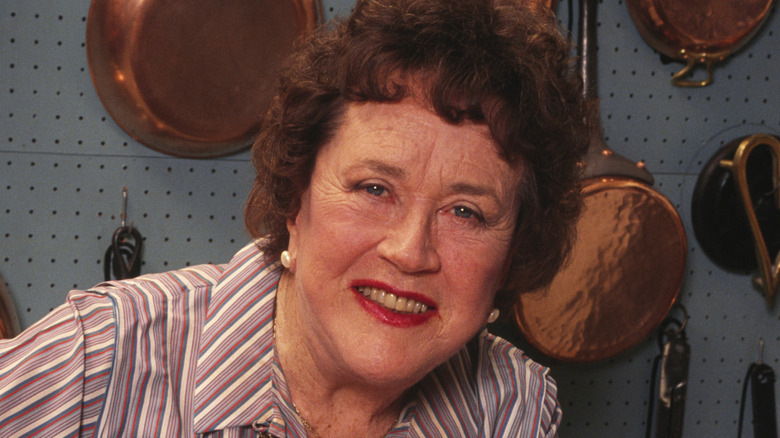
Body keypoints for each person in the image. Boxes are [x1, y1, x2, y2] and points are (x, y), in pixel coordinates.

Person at [0, 0, 588, 436]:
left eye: (465, 212)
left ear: (513, 249)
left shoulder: (512, 405)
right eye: (375, 188)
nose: (411, 252)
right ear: (294, 199)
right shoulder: (99, 361)